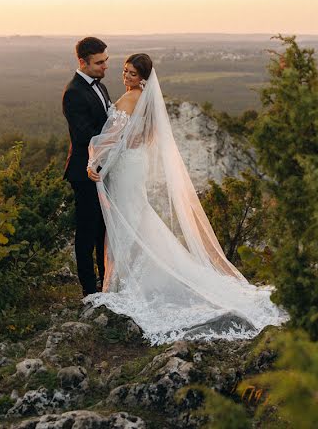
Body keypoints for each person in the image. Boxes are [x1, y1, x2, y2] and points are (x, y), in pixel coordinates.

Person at [84, 53, 288, 344]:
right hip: (136, 162)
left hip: (127, 165)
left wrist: (94, 160)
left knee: (128, 219)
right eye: (124, 71)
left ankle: (126, 282)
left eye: (131, 73)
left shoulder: (130, 99)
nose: (124, 77)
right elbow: (143, 136)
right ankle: (129, 277)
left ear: (142, 78)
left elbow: (114, 137)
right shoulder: (147, 101)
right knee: (136, 217)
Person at [62, 37, 111, 296]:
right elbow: (85, 136)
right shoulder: (73, 93)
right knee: (86, 231)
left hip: (103, 169)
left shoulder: (100, 87)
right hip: (84, 172)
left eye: (106, 61)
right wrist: (116, 137)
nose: (105, 66)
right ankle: (89, 291)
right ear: (83, 62)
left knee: (103, 230)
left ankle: (107, 282)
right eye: (99, 62)